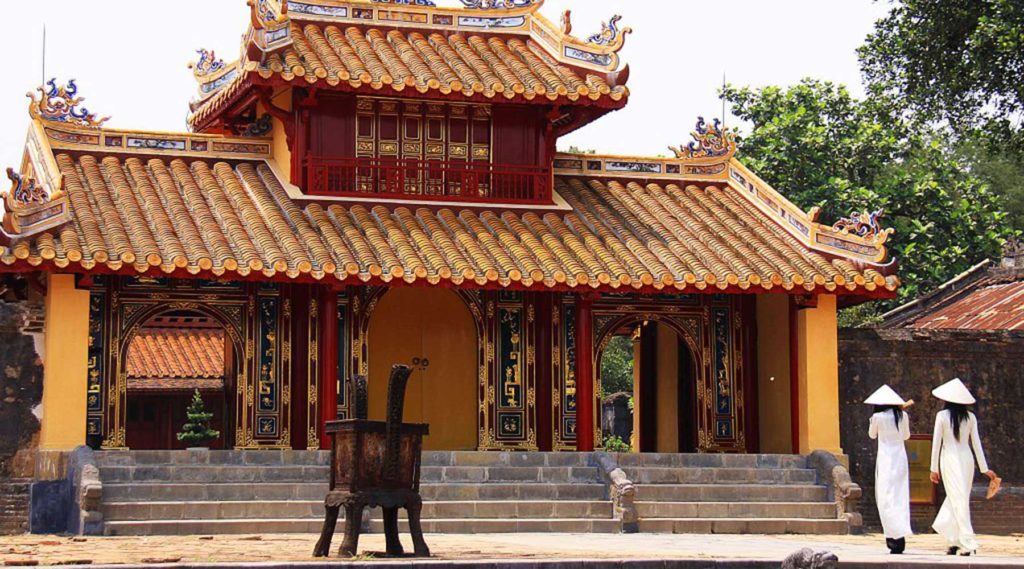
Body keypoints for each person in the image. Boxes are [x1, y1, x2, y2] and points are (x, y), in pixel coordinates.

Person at [929, 378, 999, 556]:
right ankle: (954, 541)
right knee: (958, 498)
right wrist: (984, 468)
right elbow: (976, 444)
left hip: (949, 459)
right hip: (967, 459)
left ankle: (968, 541)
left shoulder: (942, 416)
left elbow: (936, 444)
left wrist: (933, 468)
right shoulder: (970, 417)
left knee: (958, 499)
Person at [866, 384, 912, 554]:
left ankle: (892, 537)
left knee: (885, 497)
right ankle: (899, 536)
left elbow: (872, 435)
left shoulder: (877, 417)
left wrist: (872, 421)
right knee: (899, 496)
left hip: (886, 458)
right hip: (900, 458)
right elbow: (906, 436)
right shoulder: (903, 416)